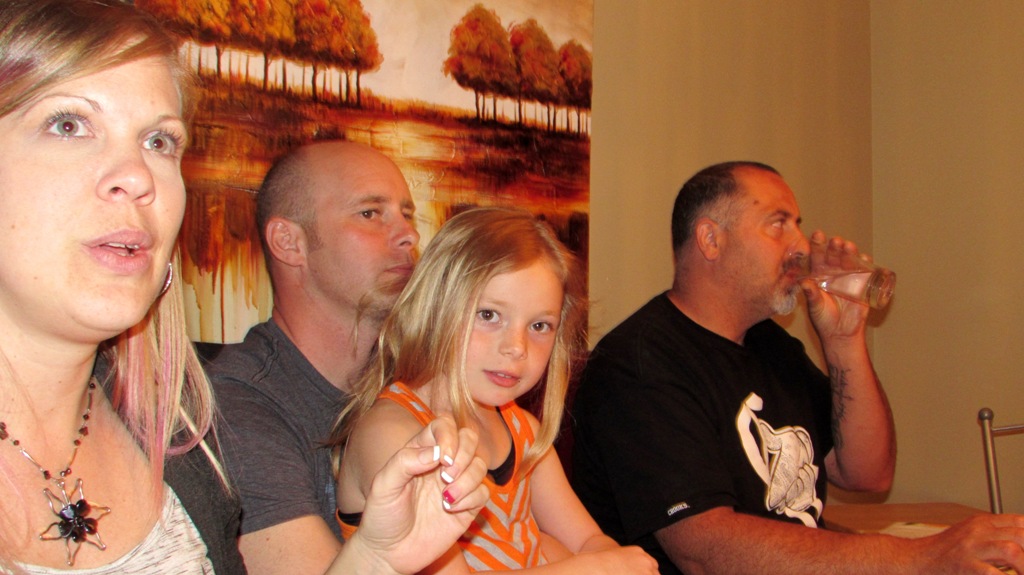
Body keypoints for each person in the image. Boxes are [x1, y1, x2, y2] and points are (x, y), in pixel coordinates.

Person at [0, 2, 488, 573]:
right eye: (68, 124)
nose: (138, 175)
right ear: (287, 242)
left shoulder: (177, 432)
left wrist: (376, 559)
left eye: (160, 142)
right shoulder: (227, 410)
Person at [570, 160, 1024, 574]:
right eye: (778, 224)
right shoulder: (639, 364)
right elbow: (704, 551)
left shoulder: (770, 344)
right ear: (711, 240)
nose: (801, 246)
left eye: (798, 226)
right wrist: (919, 558)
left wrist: (844, 341)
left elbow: (866, 473)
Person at [331, 207, 659, 574]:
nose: (516, 347)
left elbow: (588, 541)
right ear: (435, 308)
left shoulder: (524, 434)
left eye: (539, 325)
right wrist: (591, 568)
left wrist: (612, 560)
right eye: (489, 315)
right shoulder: (394, 436)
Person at [207, 140, 420, 574]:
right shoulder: (236, 404)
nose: (409, 236)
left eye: (407, 214)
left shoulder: (423, 383)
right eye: (370, 213)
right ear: (289, 243)